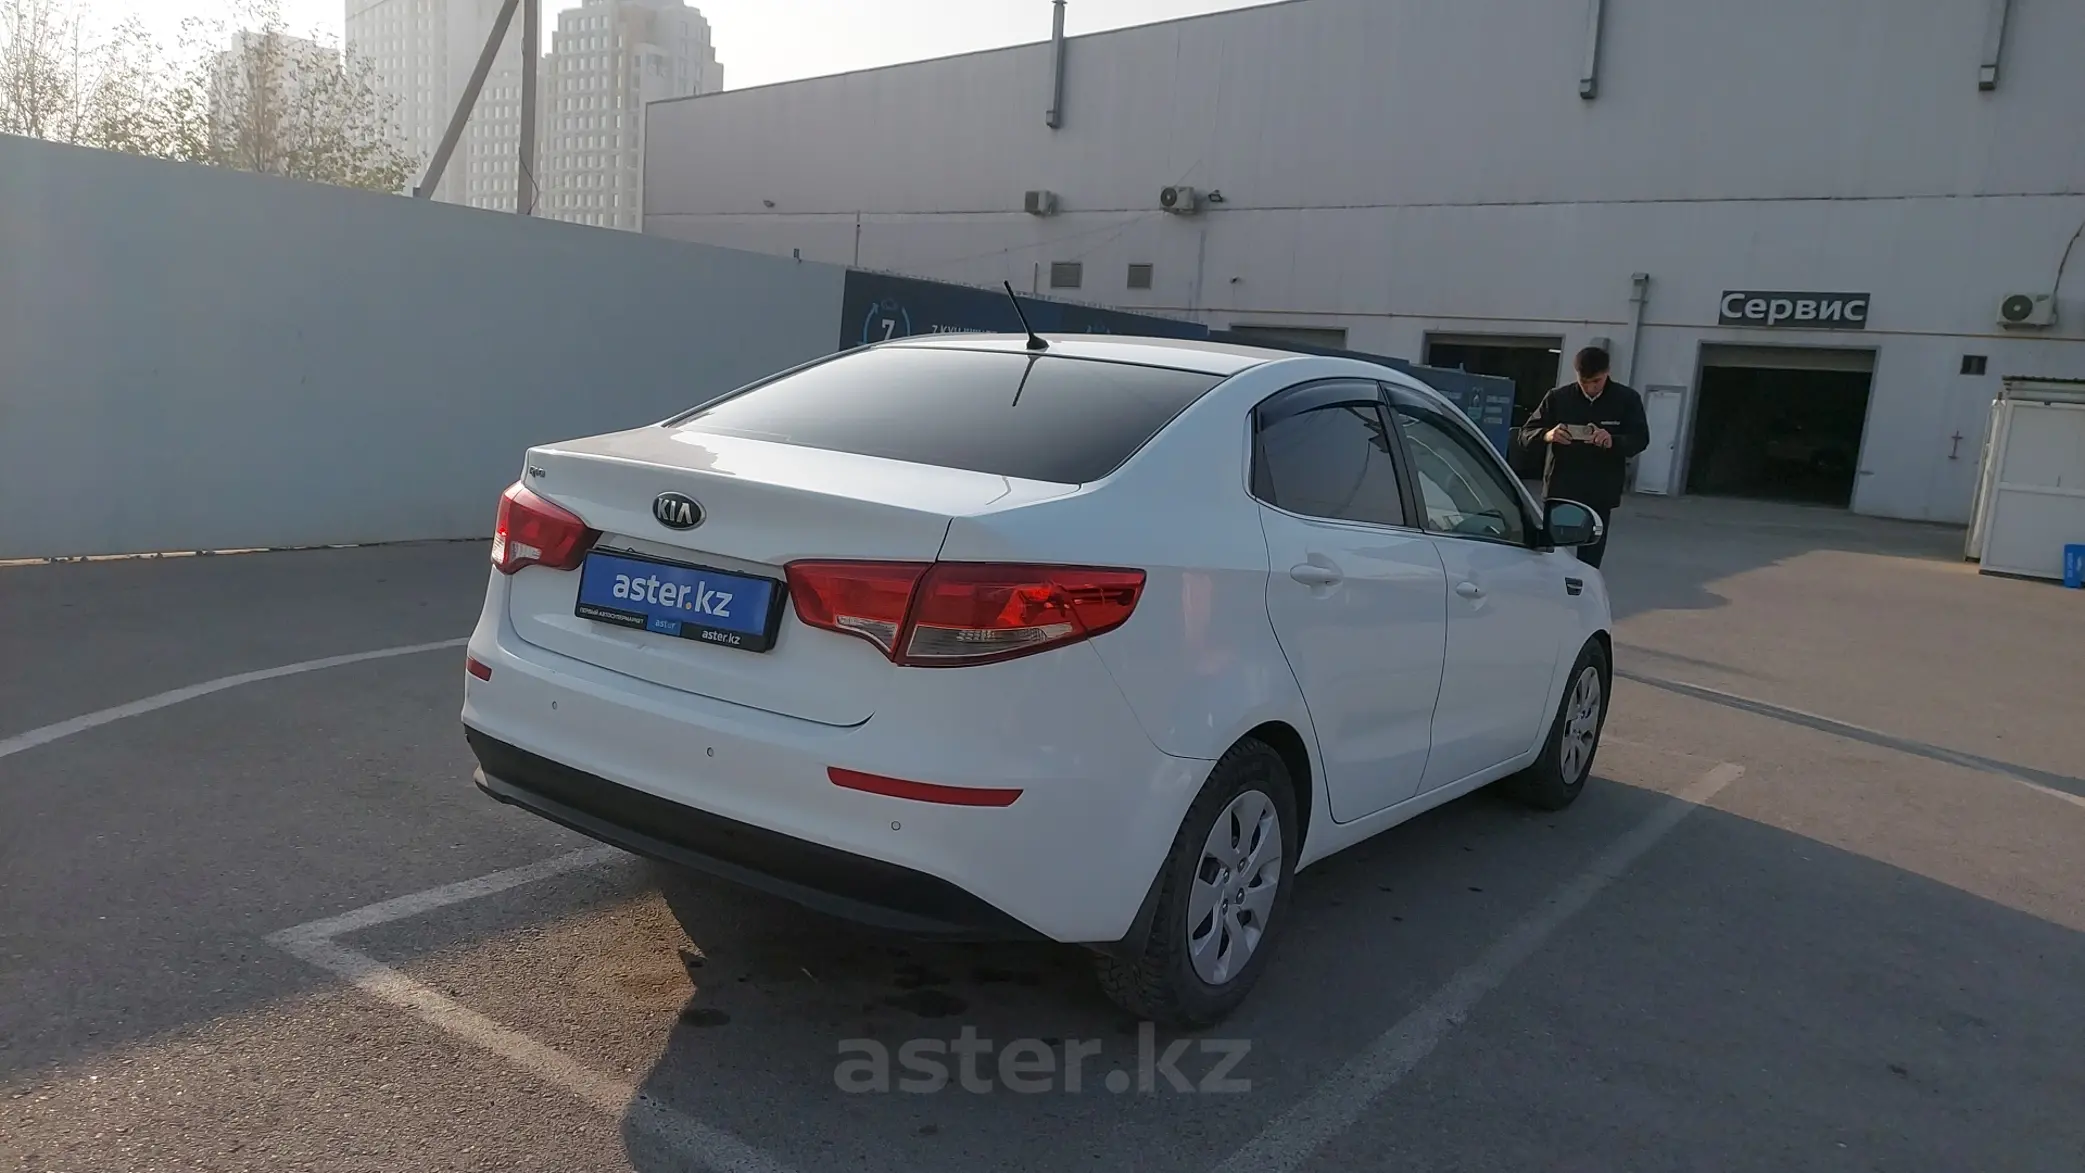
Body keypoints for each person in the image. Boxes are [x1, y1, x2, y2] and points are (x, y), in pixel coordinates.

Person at [1518, 346, 1649, 568]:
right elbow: (1524, 434)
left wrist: (1613, 440)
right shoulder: (1558, 398)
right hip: (1562, 490)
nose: (1590, 387)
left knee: (1590, 559)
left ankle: (1586, 587)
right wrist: (1548, 434)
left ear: (1607, 372)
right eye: (1584, 381)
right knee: (1551, 556)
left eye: (1596, 381)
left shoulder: (1626, 399)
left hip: (1600, 493)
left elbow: (1640, 438)